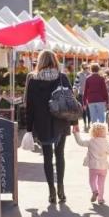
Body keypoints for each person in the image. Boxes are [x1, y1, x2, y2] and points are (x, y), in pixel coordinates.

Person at [25, 50, 72, 204]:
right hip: (60, 122)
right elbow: (71, 101)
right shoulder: (62, 77)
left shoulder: (33, 80)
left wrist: (29, 129)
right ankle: (61, 189)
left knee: (47, 157)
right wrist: (75, 122)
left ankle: (51, 191)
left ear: (40, 62)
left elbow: (29, 106)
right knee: (60, 155)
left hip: (42, 123)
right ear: (55, 61)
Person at [72, 123, 109, 205]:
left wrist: (76, 133)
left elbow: (80, 142)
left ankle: (95, 191)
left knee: (92, 181)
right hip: (103, 167)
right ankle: (100, 199)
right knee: (101, 183)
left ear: (93, 132)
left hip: (93, 167)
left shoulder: (90, 141)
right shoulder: (105, 142)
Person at [74, 63, 91, 131]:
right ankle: (84, 124)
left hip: (89, 95)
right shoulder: (79, 74)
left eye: (86, 67)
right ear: (82, 68)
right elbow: (76, 84)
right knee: (83, 110)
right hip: (81, 94)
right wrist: (75, 90)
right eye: (84, 67)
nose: (86, 69)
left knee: (89, 110)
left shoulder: (90, 74)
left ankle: (89, 124)